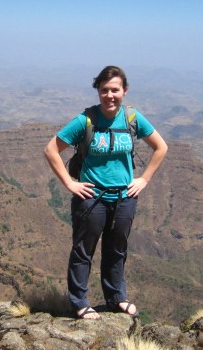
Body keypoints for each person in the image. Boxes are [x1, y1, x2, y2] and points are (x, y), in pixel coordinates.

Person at [44, 65, 168, 319]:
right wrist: (70, 183)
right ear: (98, 91)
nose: (110, 95)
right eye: (104, 90)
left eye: (115, 90)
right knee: (83, 251)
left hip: (124, 198)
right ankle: (79, 302)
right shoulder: (86, 120)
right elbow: (51, 150)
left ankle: (116, 298)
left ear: (124, 91)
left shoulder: (132, 118)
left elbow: (161, 147)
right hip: (92, 199)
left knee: (117, 250)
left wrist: (143, 179)